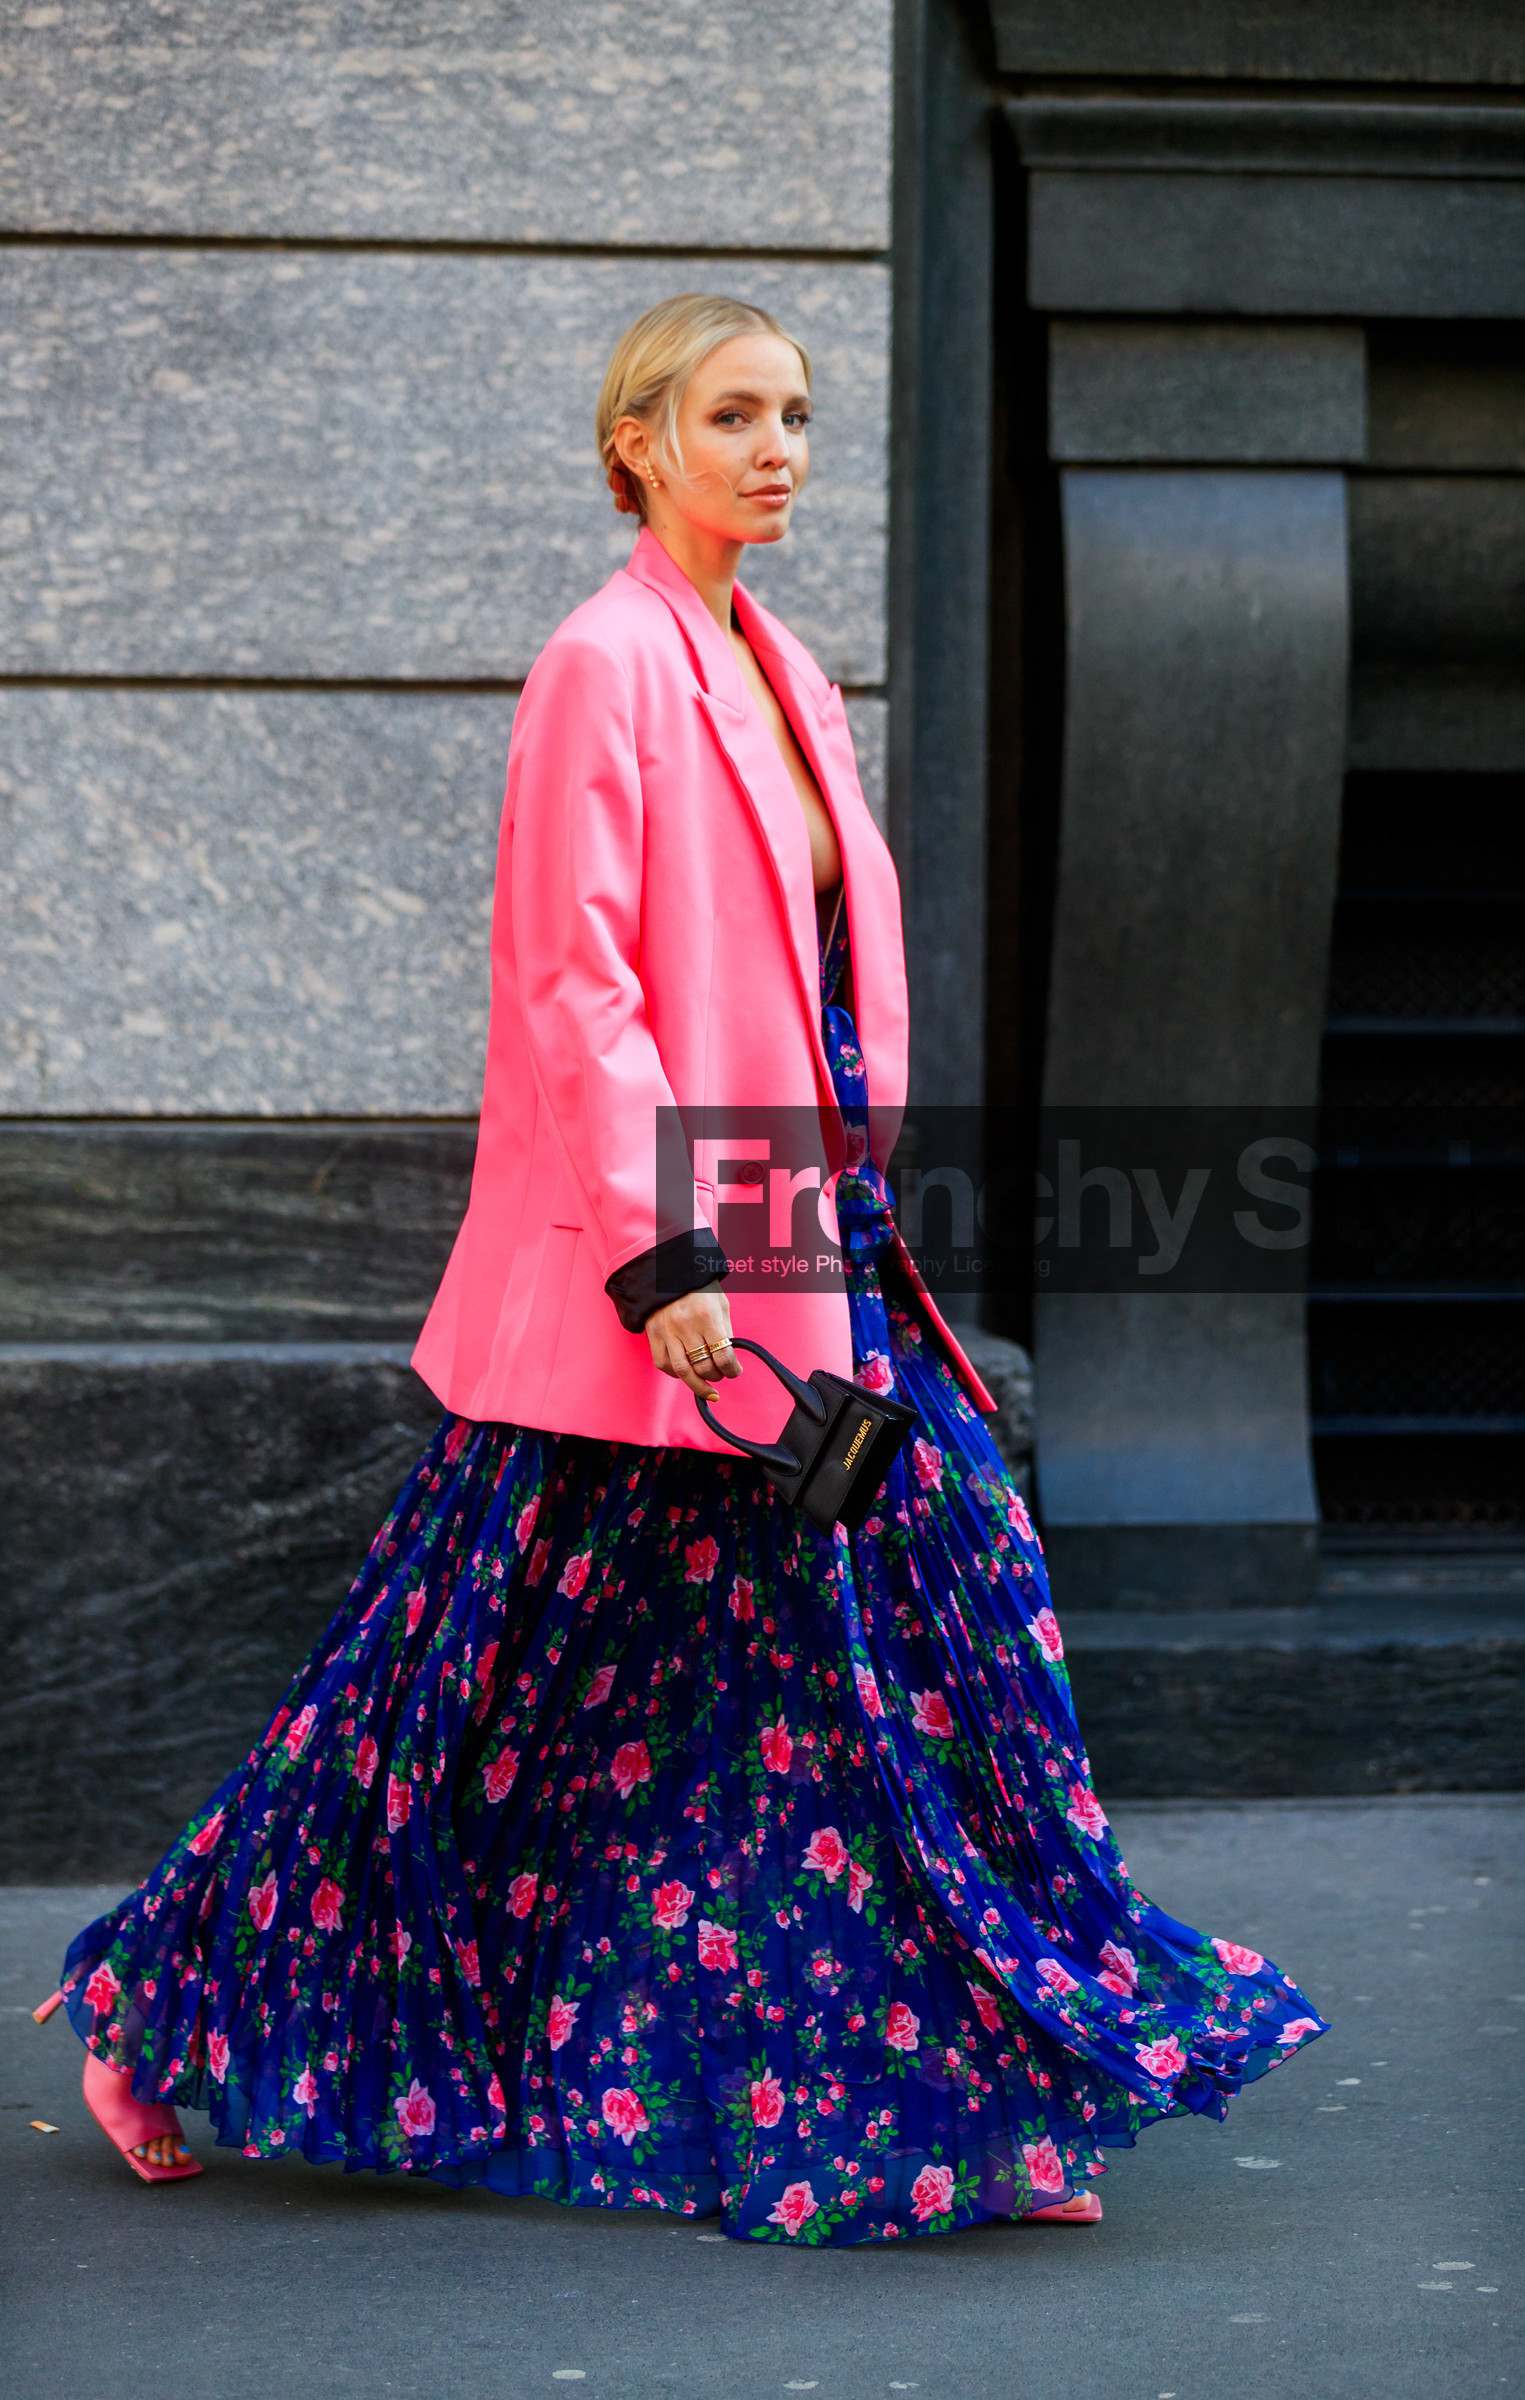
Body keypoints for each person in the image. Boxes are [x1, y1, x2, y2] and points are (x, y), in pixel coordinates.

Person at [38, 294, 1326, 2241]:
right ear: (635, 439)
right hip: (662, 1274)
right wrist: (664, 1258)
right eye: (733, 414)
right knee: (452, 1685)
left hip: (809, 1237)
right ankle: (163, 2008)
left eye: (795, 414)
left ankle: (968, 2088)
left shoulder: (777, 662)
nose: (776, 448)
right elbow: (575, 983)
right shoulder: (603, 661)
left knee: (903, 1638)